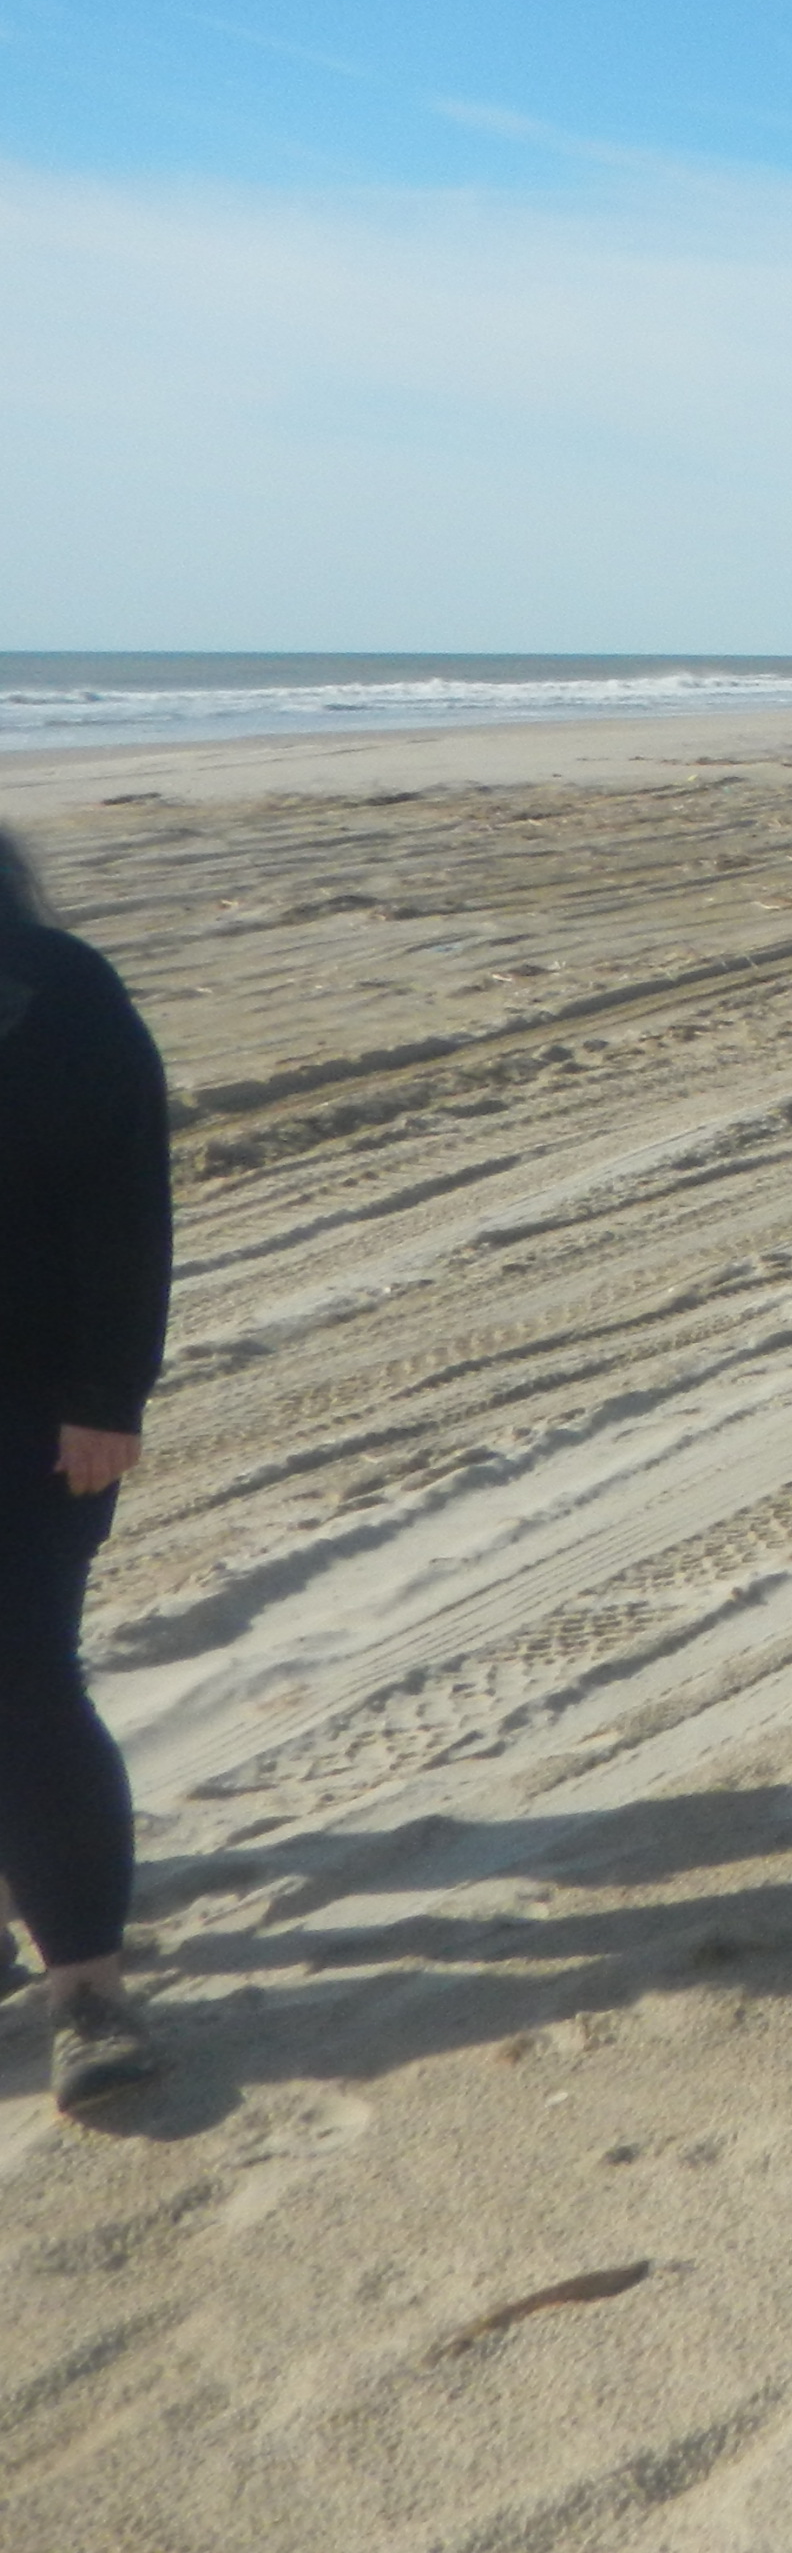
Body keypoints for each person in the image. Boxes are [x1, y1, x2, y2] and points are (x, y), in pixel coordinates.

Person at [0, 824, 173, 2108]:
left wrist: (108, 1392)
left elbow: (125, 1199)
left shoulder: (55, 987)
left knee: (25, 1683)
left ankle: (89, 1992)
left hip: (34, 1403)